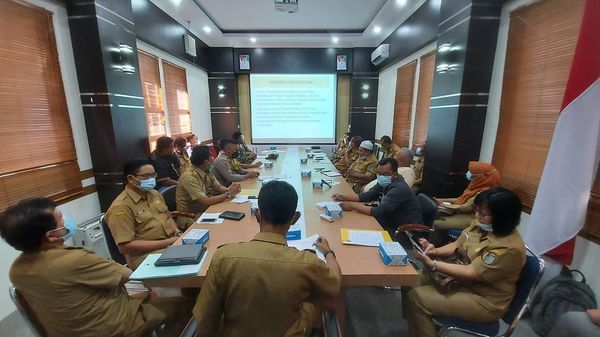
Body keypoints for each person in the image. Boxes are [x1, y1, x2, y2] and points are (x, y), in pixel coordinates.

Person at [0, 198, 189, 337]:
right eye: (61, 218)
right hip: (115, 327)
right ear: (51, 235)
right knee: (185, 295)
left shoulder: (16, 269)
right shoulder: (74, 259)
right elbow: (127, 275)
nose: (66, 220)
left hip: (70, 328)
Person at [193, 180, 342, 337]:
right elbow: (334, 285)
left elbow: (206, 320)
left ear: (257, 214)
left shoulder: (223, 257)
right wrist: (328, 253)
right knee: (314, 299)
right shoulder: (307, 263)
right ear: (295, 218)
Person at [407, 188, 526, 337]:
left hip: (483, 299)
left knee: (418, 298)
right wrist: (434, 251)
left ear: (503, 217)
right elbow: (457, 244)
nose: (477, 216)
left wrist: (433, 263)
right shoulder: (481, 225)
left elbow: (472, 272)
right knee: (409, 280)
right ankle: (419, 327)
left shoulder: (509, 248)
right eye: (477, 210)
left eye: (484, 213)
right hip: (461, 281)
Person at [106, 159, 181, 270]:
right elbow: (125, 247)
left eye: (153, 175)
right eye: (146, 176)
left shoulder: (154, 194)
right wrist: (167, 243)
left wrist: (177, 232)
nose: (151, 179)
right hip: (145, 256)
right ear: (131, 179)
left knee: (204, 253)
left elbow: (167, 216)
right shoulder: (121, 207)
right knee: (192, 268)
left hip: (171, 244)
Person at [333, 157, 423, 235]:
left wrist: (353, 206)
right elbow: (367, 196)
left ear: (395, 174)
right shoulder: (385, 181)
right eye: (379, 173)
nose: (381, 176)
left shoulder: (399, 189)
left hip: (403, 229)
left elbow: (379, 211)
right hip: (390, 219)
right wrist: (343, 197)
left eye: (385, 174)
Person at [176, 146, 242, 229]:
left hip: (206, 209)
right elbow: (205, 201)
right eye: (211, 156)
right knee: (225, 227)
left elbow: (218, 187)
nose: (214, 157)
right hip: (191, 216)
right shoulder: (189, 177)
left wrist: (232, 189)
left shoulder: (206, 170)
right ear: (206, 162)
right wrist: (229, 193)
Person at [433, 161, 501, 231]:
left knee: (435, 223)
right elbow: (459, 199)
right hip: (459, 211)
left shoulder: (485, 192)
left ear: (481, 176)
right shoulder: (475, 185)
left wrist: (445, 205)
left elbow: (466, 207)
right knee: (432, 214)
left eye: (472, 173)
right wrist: (440, 200)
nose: (468, 173)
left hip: (470, 217)